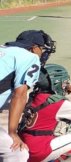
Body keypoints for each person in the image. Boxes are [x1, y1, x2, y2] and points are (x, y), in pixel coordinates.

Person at [19, 63, 71, 162]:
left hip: (24, 143)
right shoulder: (58, 104)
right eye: (64, 82)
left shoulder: (34, 96)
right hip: (38, 151)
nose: (65, 85)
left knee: (61, 129)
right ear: (57, 82)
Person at [1, 30, 51, 162]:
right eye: (42, 49)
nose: (43, 53)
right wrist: (13, 132)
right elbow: (20, 94)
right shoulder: (30, 57)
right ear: (34, 48)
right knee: (18, 153)